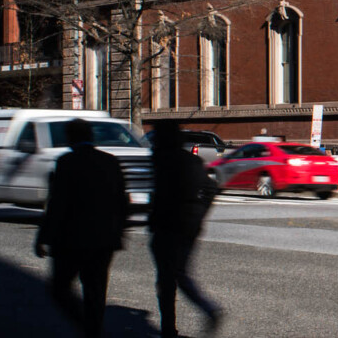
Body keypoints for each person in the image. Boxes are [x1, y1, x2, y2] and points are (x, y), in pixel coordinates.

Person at [35, 117, 130, 338]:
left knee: (60, 288)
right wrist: (119, 231)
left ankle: (85, 326)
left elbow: (58, 203)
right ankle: (93, 330)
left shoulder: (67, 162)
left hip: (71, 238)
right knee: (95, 290)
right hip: (103, 238)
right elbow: (122, 200)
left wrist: (43, 237)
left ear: (70, 137)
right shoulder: (110, 161)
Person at [148, 121, 222, 338]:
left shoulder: (160, 160)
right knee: (178, 272)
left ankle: (171, 327)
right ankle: (196, 314)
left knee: (168, 279)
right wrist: (199, 213)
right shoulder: (191, 160)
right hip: (188, 224)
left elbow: (159, 195)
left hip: (166, 225)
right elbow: (210, 188)